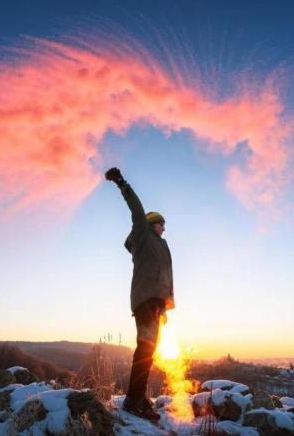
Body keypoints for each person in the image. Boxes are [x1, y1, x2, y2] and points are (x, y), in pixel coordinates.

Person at [105, 167, 174, 421]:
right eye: (162, 224)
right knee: (145, 350)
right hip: (145, 299)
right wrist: (122, 183)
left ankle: (137, 396)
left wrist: (165, 306)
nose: (165, 229)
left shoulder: (160, 244)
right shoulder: (143, 234)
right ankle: (134, 401)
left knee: (148, 350)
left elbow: (166, 276)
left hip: (154, 302)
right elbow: (136, 209)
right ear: (153, 223)